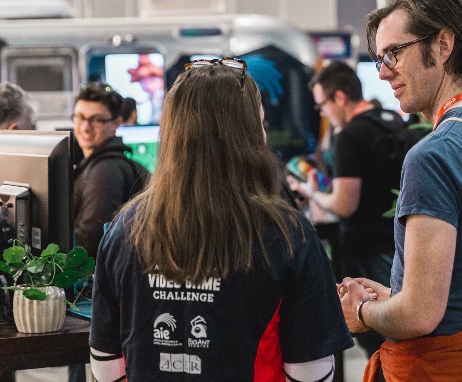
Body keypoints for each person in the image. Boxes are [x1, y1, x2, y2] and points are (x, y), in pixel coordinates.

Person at [89, 60, 353, 381]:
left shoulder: (123, 229)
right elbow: (313, 372)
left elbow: (105, 364)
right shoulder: (288, 234)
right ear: (252, 132)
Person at [338, 0, 462, 381]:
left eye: (394, 53)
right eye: (379, 58)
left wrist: (361, 312)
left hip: (442, 369)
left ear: (442, 45)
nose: (383, 71)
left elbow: (421, 315)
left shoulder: (434, 155)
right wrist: (391, 294)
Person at [294, 60, 406, 359]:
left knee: (377, 338)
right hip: (400, 248)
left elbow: (345, 203)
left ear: (339, 98)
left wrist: (313, 193)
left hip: (367, 253)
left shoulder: (350, 136)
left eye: (322, 105)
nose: (324, 113)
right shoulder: (392, 121)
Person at [71, 82, 149, 257]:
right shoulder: (96, 163)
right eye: (80, 117)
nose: (85, 127)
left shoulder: (106, 170)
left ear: (117, 123)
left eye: (97, 120)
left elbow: (90, 240)